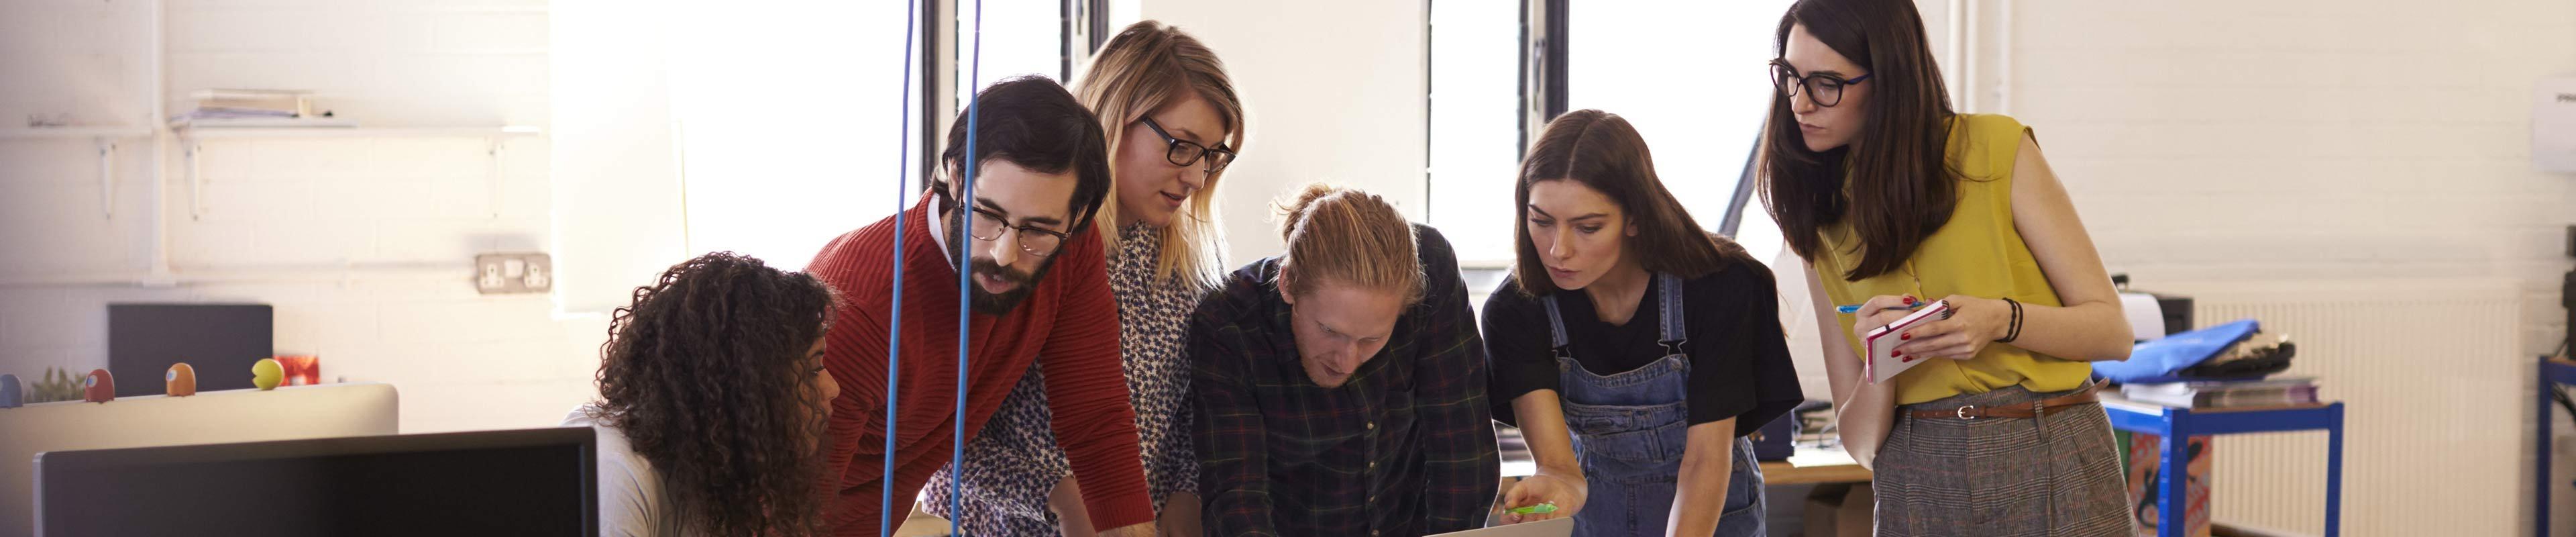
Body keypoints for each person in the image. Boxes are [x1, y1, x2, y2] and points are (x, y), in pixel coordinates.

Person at [1757, 0, 2137, 534]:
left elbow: (2113, 333)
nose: (1800, 103)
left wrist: (2003, 320)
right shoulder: (1817, 220)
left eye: (1827, 83)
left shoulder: (1995, 151)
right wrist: (1878, 366)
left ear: (1889, 80)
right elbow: (1863, 444)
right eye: (1790, 77)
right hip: (1916, 473)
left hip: (2050, 443)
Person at [922, 20, 1243, 537]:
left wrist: (1186, 497)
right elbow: (938, 436)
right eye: (1182, 146)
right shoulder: (1018, 254)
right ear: (1117, 116)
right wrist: (1058, 498)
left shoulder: (1188, 264)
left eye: (1212, 156)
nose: (1196, 176)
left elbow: (1192, 406)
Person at [804, 75, 1157, 536]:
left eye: (1037, 230)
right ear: (955, 176)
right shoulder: (861, 304)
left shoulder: (1070, 244)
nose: (1004, 254)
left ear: (1078, 217)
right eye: (988, 215)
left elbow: (1096, 416)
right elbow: (796, 500)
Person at [1483, 109, 1805, 537]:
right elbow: (1562, 470)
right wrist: (1554, 489)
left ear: (1635, 217)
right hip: (1596, 518)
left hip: (1711, 515)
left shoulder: (1721, 287)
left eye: (1588, 227)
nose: (1558, 250)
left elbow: (1706, 459)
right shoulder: (1516, 310)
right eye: (1541, 221)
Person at [1189, 184, 1499, 536]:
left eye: (1372, 339)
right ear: (1288, 284)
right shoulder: (1229, 325)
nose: (1347, 361)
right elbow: (1236, 495)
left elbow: (1461, 443)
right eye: (1329, 331)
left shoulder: (1432, 269)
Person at [564, 252, 843, 536]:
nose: (834, 389)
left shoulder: (710, 471)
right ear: (749, 381)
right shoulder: (615, 470)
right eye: (814, 368)